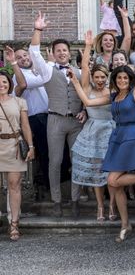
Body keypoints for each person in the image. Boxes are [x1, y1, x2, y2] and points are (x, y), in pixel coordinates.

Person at [70, 65, 135, 242]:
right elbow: (88, 102)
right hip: (116, 137)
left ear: (130, 80)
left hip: (131, 137)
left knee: (112, 180)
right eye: (119, 78)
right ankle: (125, 224)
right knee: (115, 185)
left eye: (125, 78)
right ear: (114, 80)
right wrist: (75, 82)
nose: (122, 81)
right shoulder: (113, 96)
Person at [29, 12, 86, 217]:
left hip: (76, 122)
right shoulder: (47, 71)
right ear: (52, 53)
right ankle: (56, 201)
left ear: (70, 53)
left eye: (65, 50)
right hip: (55, 119)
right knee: (55, 161)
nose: (62, 53)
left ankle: (75, 200)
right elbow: (34, 53)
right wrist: (38, 30)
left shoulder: (79, 72)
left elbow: (89, 94)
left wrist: (85, 112)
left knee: (77, 160)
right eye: (58, 50)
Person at [70, 31, 117, 222]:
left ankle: (112, 205)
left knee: (112, 171)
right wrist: (88, 46)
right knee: (97, 171)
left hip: (110, 131)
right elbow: (84, 67)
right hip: (92, 132)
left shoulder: (112, 90)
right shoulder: (87, 88)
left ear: (107, 77)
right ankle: (100, 207)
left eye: (102, 77)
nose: (99, 80)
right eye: (96, 76)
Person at [0, 63, 35, 241]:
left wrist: (31, 146)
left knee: (14, 185)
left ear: (9, 84)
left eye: (4, 82)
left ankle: (14, 224)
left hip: (14, 145)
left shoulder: (19, 101)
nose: (2, 85)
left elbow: (25, 126)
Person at [12, 46, 50, 197]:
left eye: (25, 55)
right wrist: (50, 67)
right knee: (42, 153)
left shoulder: (36, 70)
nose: (24, 58)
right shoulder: (18, 75)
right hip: (34, 119)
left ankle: (46, 185)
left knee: (48, 153)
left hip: (47, 116)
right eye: (19, 57)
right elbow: (31, 83)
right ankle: (43, 187)